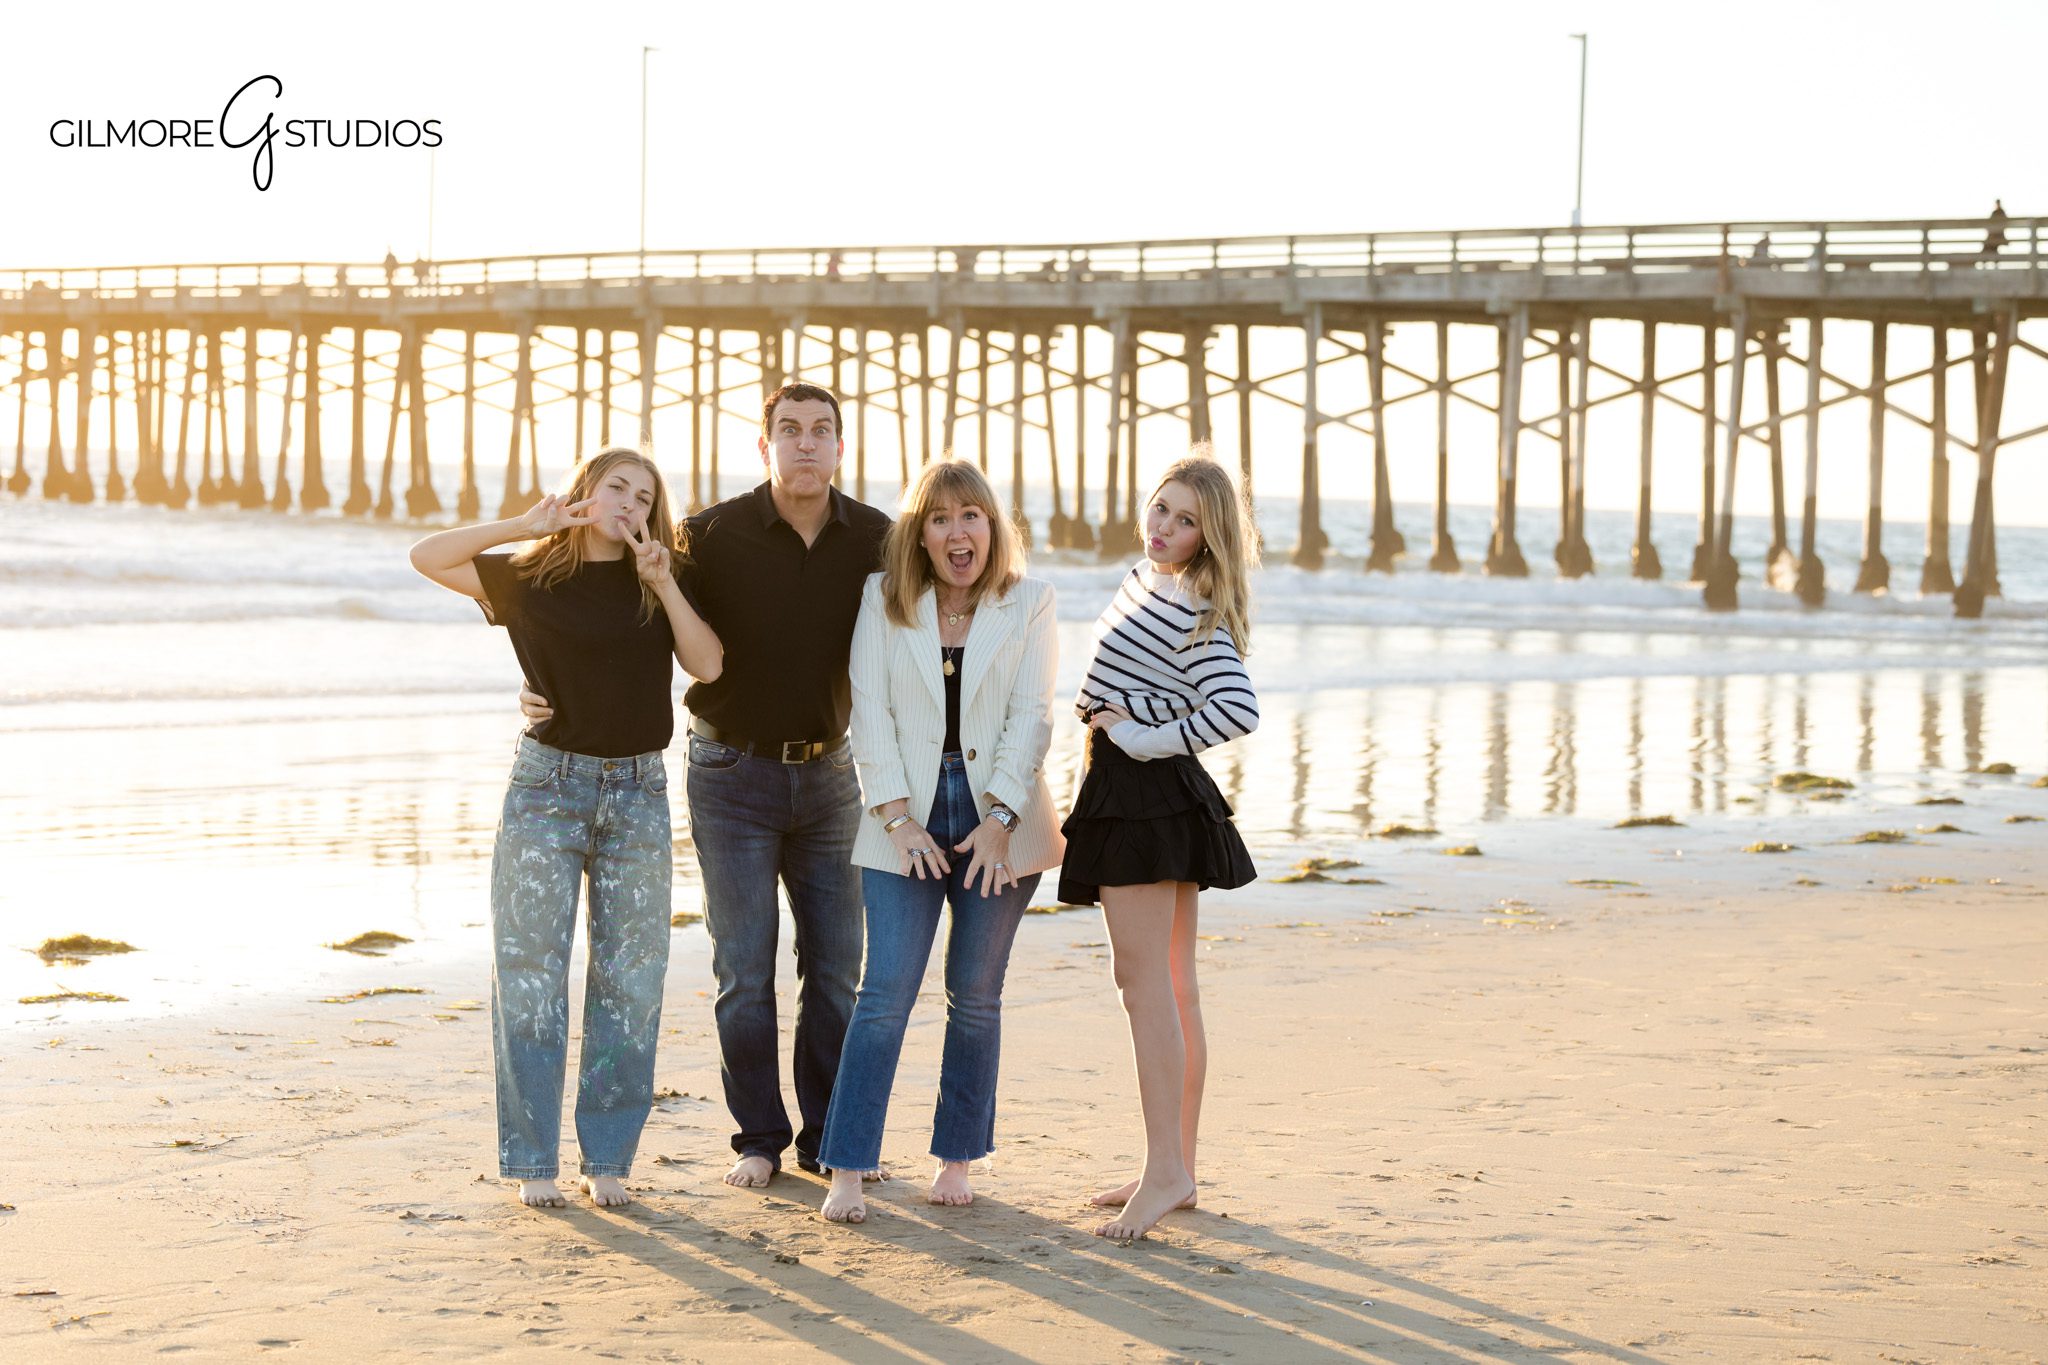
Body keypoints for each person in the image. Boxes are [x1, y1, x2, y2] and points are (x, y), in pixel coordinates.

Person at [522, 384, 889, 1188]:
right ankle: (759, 1137)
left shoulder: (876, 538)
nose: (805, 444)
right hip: (730, 774)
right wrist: (538, 687)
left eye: (822, 431)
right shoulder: (710, 534)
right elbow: (618, 609)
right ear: (765, 447)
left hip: (832, 772)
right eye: (788, 430)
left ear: (840, 447)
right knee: (743, 969)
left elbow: (933, 627)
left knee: (834, 968)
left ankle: (829, 1135)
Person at [408, 447, 723, 1209]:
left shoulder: (659, 579)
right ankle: (533, 1159)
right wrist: (525, 523)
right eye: (616, 486)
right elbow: (426, 554)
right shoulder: (528, 576)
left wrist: (664, 583)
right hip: (546, 788)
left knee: (631, 978)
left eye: (645, 496)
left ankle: (608, 1157)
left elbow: (707, 666)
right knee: (529, 977)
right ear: (586, 490)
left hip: (638, 793)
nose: (629, 503)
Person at [816, 460, 1063, 1224]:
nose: (959, 533)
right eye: (940, 519)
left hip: (1000, 817)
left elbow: (1034, 717)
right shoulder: (885, 601)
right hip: (904, 813)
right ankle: (849, 1166)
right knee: (884, 992)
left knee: (976, 995)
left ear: (994, 526)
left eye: (972, 516)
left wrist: (999, 820)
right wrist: (896, 817)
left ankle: (957, 1159)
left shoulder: (1030, 602)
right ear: (918, 535)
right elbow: (870, 712)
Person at [1061, 450, 1261, 1242]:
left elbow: (1237, 708)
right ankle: (1173, 1165)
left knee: (1146, 986)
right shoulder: (1147, 581)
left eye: (1185, 520)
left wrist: (1144, 739)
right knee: (1175, 986)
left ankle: (1166, 1169)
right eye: (1161, 509)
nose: (1166, 528)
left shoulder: (1192, 603)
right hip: (1140, 791)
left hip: (1143, 795)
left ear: (1208, 535)